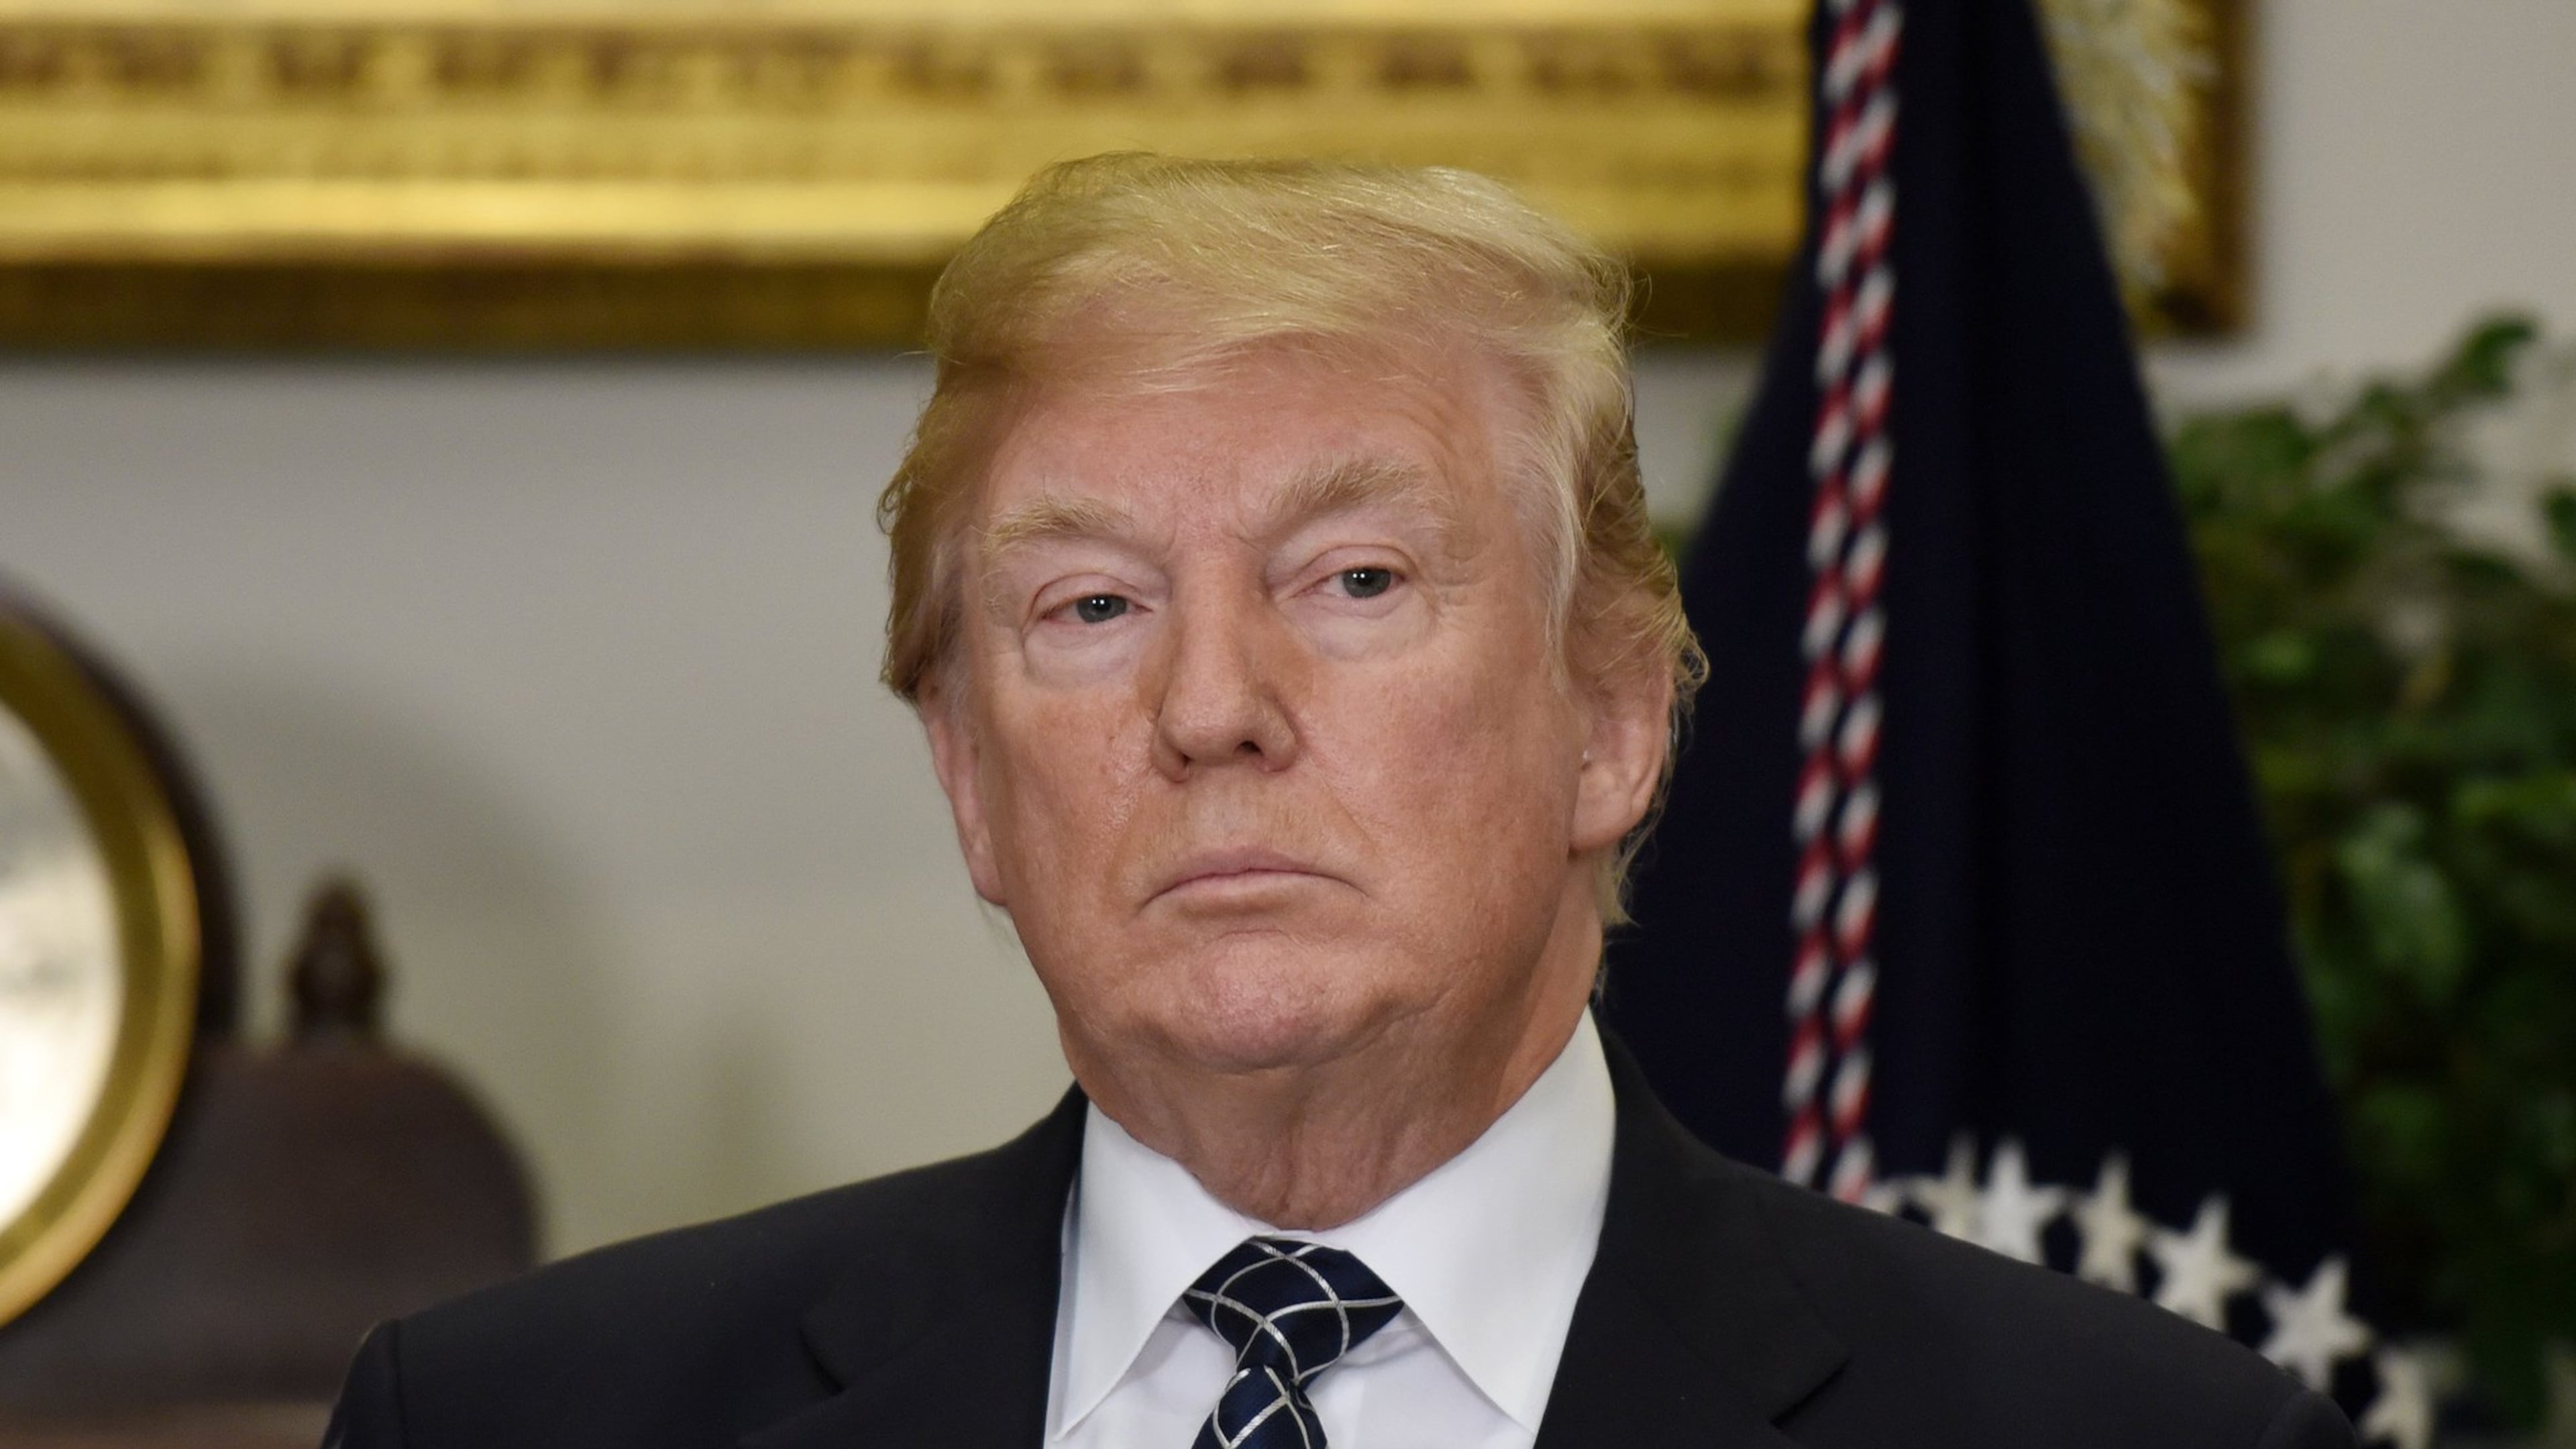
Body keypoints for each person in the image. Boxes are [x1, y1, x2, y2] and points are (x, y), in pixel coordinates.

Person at [324, 154, 2353, 1449]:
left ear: (1612, 719)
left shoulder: (2134, 1441)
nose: (1212, 709)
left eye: (1356, 581)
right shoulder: (515, 1425)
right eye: (1092, 606)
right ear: (970, 780)